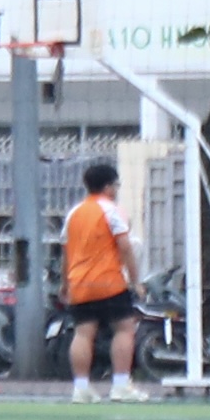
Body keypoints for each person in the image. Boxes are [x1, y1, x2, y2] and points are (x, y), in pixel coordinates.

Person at [62, 159, 146, 403]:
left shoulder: (74, 214)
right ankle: (120, 385)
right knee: (124, 329)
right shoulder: (112, 210)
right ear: (108, 187)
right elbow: (125, 247)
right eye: (116, 185)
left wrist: (65, 284)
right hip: (109, 283)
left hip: (79, 284)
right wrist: (135, 280)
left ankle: (81, 388)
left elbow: (66, 252)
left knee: (83, 334)